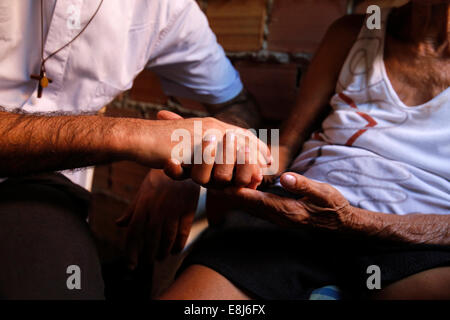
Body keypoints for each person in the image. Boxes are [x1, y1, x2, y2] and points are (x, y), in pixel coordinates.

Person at [159, 0, 450, 300]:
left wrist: (354, 221)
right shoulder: (354, 33)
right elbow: (285, 144)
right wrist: (235, 159)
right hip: (299, 216)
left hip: (416, 241)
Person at [0, 0, 269, 299]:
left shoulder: (166, 8)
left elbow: (240, 108)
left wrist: (186, 162)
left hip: (41, 193)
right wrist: (131, 136)